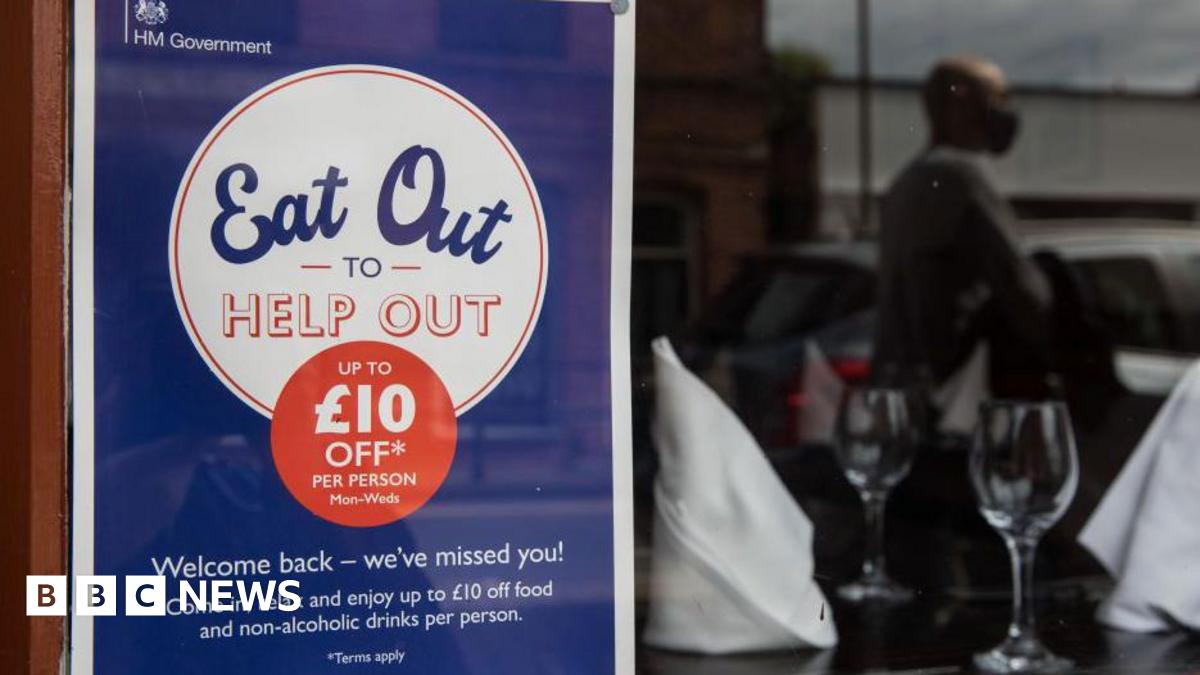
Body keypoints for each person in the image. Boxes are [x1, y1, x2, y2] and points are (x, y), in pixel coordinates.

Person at [874, 55, 1054, 406]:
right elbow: (1026, 291)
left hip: (902, 389)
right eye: (998, 97)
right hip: (951, 395)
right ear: (960, 103)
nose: (1006, 110)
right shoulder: (961, 176)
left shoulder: (907, 179)